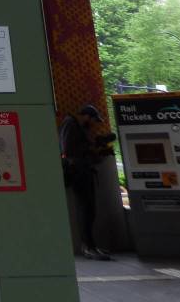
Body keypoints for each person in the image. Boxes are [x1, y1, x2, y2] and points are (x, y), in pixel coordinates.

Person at [60, 104, 113, 261]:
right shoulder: (70, 124)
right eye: (92, 119)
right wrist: (92, 146)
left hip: (83, 171)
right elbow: (68, 149)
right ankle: (88, 246)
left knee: (89, 210)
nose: (92, 123)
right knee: (86, 209)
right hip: (78, 172)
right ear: (86, 116)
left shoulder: (74, 125)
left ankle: (91, 245)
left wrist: (97, 151)